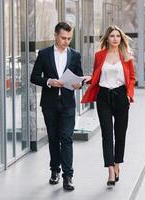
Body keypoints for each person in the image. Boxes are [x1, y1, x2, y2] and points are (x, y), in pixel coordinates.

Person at [30, 22, 91, 191]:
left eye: (69, 39)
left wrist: (80, 84)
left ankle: (68, 176)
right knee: (54, 139)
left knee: (66, 139)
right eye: (63, 38)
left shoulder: (75, 55)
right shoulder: (44, 54)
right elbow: (34, 77)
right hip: (49, 104)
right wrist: (49, 82)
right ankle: (54, 170)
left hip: (68, 104)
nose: (66, 41)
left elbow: (78, 78)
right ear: (56, 35)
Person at [81, 25, 135, 187]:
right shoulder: (99, 55)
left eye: (118, 36)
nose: (115, 39)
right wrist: (87, 79)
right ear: (107, 38)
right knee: (107, 134)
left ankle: (117, 164)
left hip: (120, 97)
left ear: (121, 38)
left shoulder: (126, 56)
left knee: (120, 134)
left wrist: (128, 95)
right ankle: (110, 170)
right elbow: (97, 75)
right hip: (103, 96)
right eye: (112, 36)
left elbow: (131, 77)